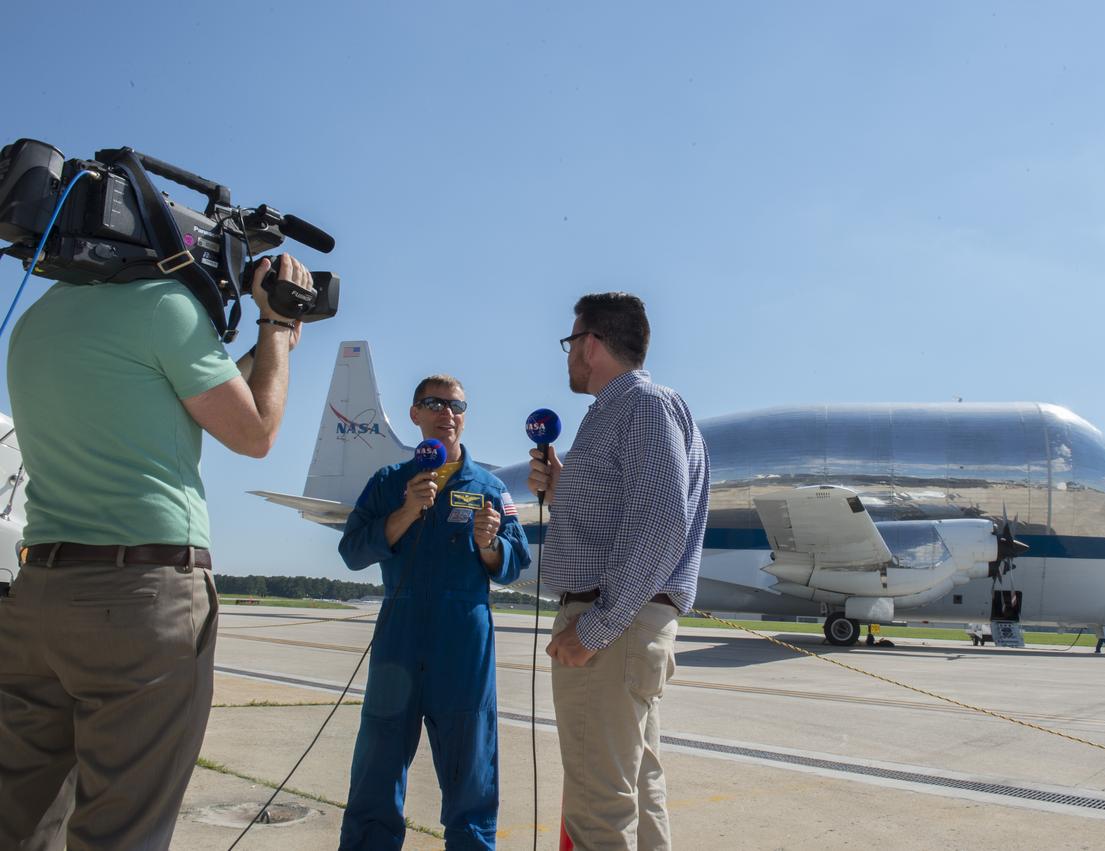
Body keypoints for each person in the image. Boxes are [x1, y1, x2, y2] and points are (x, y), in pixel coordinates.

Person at [0, 256, 314, 848]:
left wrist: (257, 352)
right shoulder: (163, 307)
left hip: (38, 594)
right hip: (138, 601)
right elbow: (254, 433)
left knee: (19, 818)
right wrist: (275, 332)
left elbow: (185, 398)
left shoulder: (39, 320)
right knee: (123, 829)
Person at [528, 292, 709, 851]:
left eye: (570, 342)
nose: (567, 357)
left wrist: (595, 628)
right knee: (637, 790)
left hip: (614, 627)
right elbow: (621, 521)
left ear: (592, 344)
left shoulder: (641, 406)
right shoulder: (623, 411)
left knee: (596, 808)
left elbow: (660, 525)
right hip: (628, 625)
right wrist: (563, 492)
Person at [338, 375, 530, 850]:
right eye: (434, 403)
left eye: (456, 405)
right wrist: (405, 512)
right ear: (414, 414)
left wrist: (490, 546)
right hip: (398, 640)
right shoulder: (387, 484)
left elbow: (516, 561)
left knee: (472, 775)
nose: (447, 412)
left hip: (462, 644)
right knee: (376, 769)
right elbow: (353, 552)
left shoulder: (490, 486)